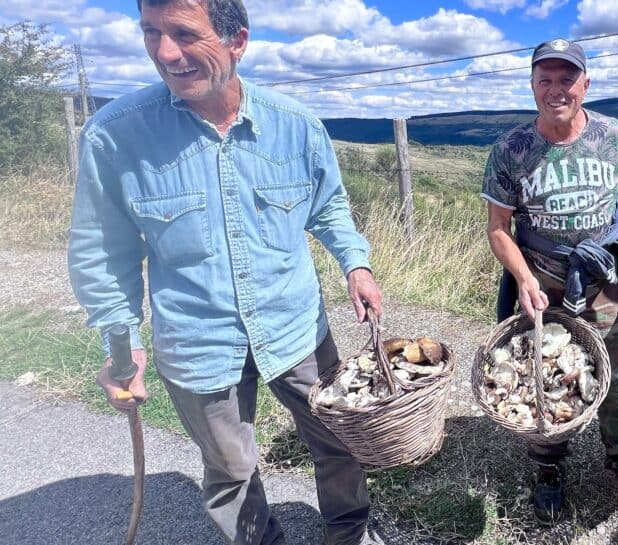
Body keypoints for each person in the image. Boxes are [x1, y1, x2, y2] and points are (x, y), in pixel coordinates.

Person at [67, 1, 387, 543]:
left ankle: (351, 529)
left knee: (339, 441)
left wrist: (355, 263)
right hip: (196, 340)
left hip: (296, 327)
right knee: (230, 473)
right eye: (152, 33)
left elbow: (328, 206)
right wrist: (122, 344)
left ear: (237, 40)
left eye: (185, 35)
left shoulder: (296, 126)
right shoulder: (114, 137)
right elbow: (103, 250)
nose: (166, 53)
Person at [481, 38, 618, 529]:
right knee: (538, 370)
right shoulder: (510, 150)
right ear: (532, 83)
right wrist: (521, 278)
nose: (556, 89)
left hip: (601, 277)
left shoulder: (613, 136)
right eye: (546, 79)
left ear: (586, 83)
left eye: (567, 79)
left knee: (616, 373)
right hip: (540, 277)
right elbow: (499, 229)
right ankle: (547, 466)